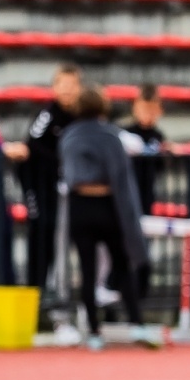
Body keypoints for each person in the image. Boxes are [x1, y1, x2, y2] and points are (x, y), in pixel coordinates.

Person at [59, 87, 157, 351]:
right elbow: (120, 176)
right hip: (107, 204)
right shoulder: (110, 136)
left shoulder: (69, 136)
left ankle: (93, 330)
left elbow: (69, 175)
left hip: (80, 205)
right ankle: (136, 322)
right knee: (122, 263)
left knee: (87, 270)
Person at [3, 64, 80, 289]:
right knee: (40, 230)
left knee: (58, 236)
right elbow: (32, 143)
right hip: (37, 184)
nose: (66, 90)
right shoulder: (47, 114)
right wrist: (60, 161)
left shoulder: (78, 117)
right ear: (54, 88)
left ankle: (53, 289)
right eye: (62, 85)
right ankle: (35, 288)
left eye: (71, 86)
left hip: (60, 187)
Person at [123, 83, 165, 218]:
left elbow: (160, 166)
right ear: (135, 108)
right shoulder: (126, 133)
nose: (148, 114)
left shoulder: (158, 136)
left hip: (148, 190)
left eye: (152, 110)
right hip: (127, 189)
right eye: (144, 109)